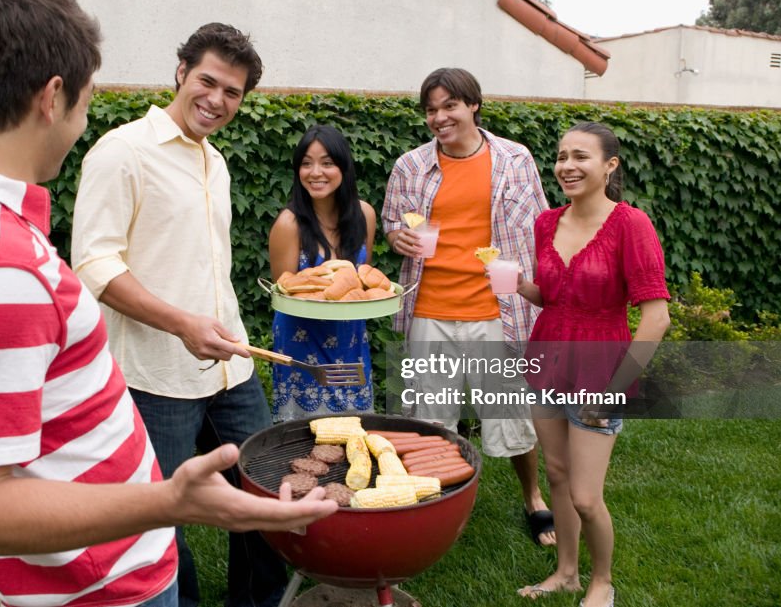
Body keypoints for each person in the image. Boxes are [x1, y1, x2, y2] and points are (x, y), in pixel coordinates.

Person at [0, 0, 336, 607]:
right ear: (53, 97)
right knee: (181, 529)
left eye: (233, 92)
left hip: (227, 366)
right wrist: (167, 500)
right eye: (85, 101)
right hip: (106, 580)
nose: (82, 121)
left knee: (253, 497)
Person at [70, 23, 288, 607]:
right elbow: (94, 264)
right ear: (181, 72)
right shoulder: (122, 151)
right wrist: (181, 324)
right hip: (155, 376)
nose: (217, 101)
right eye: (207, 81)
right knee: (162, 517)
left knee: (265, 492)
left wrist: (214, 328)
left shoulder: (215, 161)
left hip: (232, 367)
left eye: (233, 93)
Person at [382, 67, 557, 546]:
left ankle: (533, 498)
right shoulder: (410, 166)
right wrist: (396, 235)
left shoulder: (514, 159)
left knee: (510, 414)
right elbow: (393, 224)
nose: (439, 117)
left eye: (449, 106)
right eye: (431, 110)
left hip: (496, 310)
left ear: (473, 104)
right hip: (431, 310)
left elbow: (541, 227)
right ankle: (440, 504)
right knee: (431, 417)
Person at [514, 122, 671, 606]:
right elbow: (553, 298)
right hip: (545, 362)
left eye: (580, 156)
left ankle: (602, 580)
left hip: (600, 371)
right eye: (561, 156)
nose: (567, 166)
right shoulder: (546, 223)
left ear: (609, 165)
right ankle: (565, 572)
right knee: (556, 476)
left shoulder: (631, 225)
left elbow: (656, 317)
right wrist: (517, 285)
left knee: (585, 495)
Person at [268, 124, 378, 420]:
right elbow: (284, 293)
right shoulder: (288, 224)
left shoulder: (364, 215)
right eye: (306, 163)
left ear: (343, 167)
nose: (316, 172)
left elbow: (363, 278)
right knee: (305, 435)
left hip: (351, 338)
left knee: (354, 429)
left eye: (327, 162)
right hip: (302, 341)